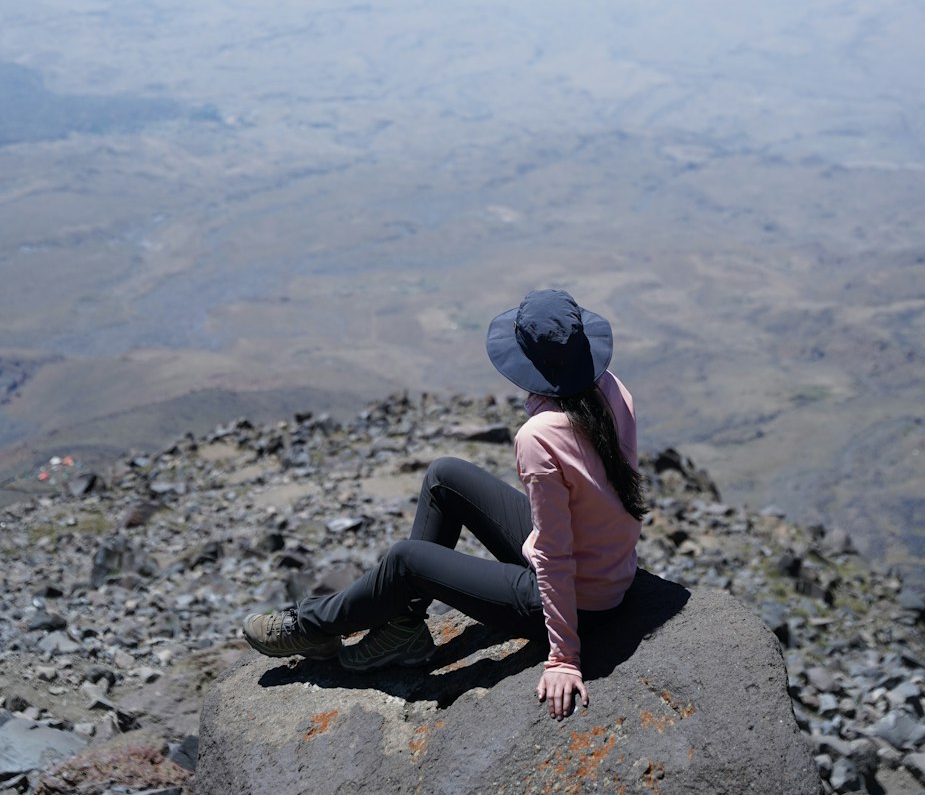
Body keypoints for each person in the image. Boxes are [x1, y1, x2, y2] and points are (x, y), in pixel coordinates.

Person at [242, 288, 646, 720]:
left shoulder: (539, 436)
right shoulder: (610, 387)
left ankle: (311, 626)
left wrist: (564, 656)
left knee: (406, 561)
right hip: (605, 570)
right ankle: (403, 627)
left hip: (578, 601)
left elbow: (553, 556)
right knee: (444, 475)